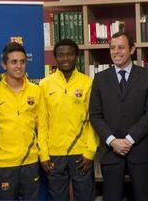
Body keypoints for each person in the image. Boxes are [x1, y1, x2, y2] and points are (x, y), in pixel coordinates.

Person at [89, 32, 148, 201]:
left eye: (121, 47)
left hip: (140, 150)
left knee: (144, 197)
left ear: (132, 49)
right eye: (112, 48)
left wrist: (129, 139)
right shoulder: (100, 79)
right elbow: (95, 115)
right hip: (111, 152)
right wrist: (112, 141)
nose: (116, 52)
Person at [39, 39, 98, 201]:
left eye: (70, 54)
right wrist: (43, 154)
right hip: (54, 154)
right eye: (61, 55)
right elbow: (42, 123)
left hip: (81, 153)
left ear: (76, 56)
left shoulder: (88, 83)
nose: (65, 58)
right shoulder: (45, 85)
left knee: (85, 197)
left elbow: (94, 121)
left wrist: (90, 152)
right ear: (55, 58)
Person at [0, 42, 48, 200]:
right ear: (4, 65)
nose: (19, 66)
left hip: (30, 162)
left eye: (22, 61)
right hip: (4, 164)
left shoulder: (36, 91)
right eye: (13, 62)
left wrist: (44, 156)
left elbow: (43, 127)